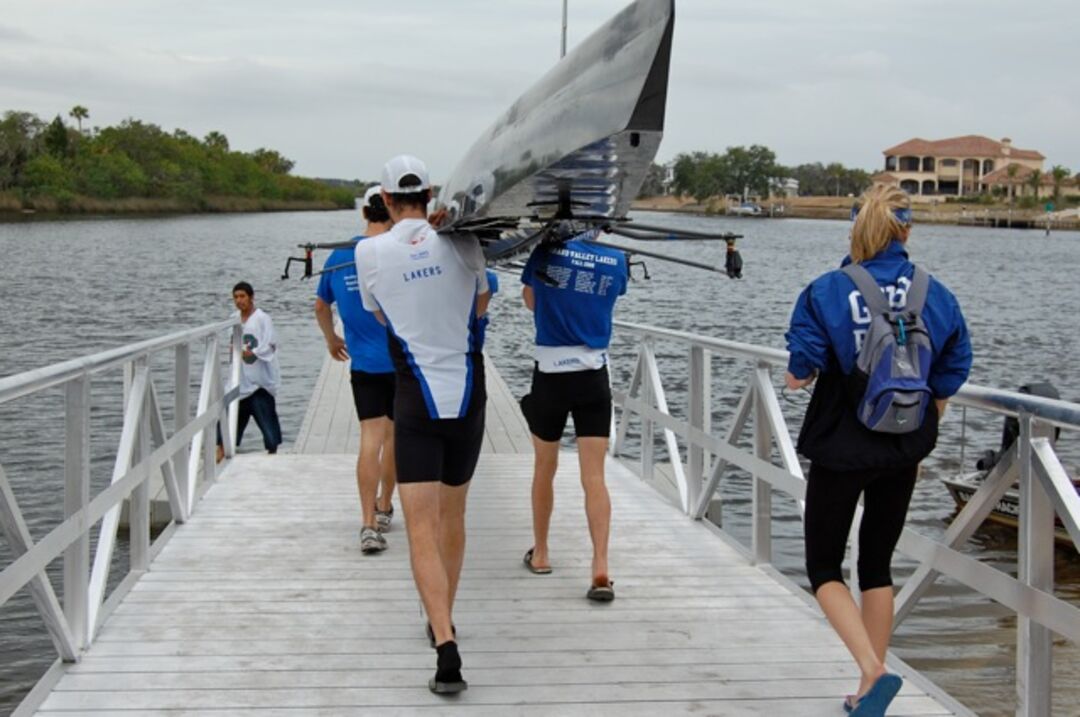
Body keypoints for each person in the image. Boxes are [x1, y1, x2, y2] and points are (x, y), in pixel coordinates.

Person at [784, 184, 971, 717]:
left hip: (842, 448)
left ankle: (872, 671)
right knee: (877, 565)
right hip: (903, 448)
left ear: (855, 230)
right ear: (906, 232)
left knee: (823, 567)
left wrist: (802, 370)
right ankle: (870, 697)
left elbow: (801, 372)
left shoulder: (826, 289)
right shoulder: (936, 293)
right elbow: (954, 368)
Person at [356, 154, 490, 695]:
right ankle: (446, 618)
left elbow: (380, 315)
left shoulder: (368, 253)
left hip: (414, 401)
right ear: (431, 195)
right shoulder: (466, 242)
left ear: (385, 200)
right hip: (468, 396)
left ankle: (444, 647)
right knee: (453, 518)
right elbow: (480, 308)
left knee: (420, 528)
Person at [518, 230, 628, 602]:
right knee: (594, 476)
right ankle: (600, 566)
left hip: (550, 374)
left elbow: (531, 300)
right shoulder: (615, 257)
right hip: (593, 375)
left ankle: (543, 552)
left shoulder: (546, 250)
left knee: (544, 468)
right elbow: (610, 298)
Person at [315, 186, 397, 554]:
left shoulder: (340, 256)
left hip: (364, 364)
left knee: (370, 441)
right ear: (392, 210)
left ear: (364, 212)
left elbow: (320, 305)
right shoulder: (400, 251)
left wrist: (332, 339)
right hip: (401, 363)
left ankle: (367, 523)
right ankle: (384, 507)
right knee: (395, 440)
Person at [231, 282, 283, 454]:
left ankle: (273, 457)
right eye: (236, 297)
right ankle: (221, 455)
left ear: (251, 297)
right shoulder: (234, 318)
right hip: (240, 384)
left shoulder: (262, 318)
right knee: (227, 430)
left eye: (242, 296)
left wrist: (252, 352)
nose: (239, 301)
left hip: (260, 384)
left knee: (270, 435)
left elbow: (271, 344)